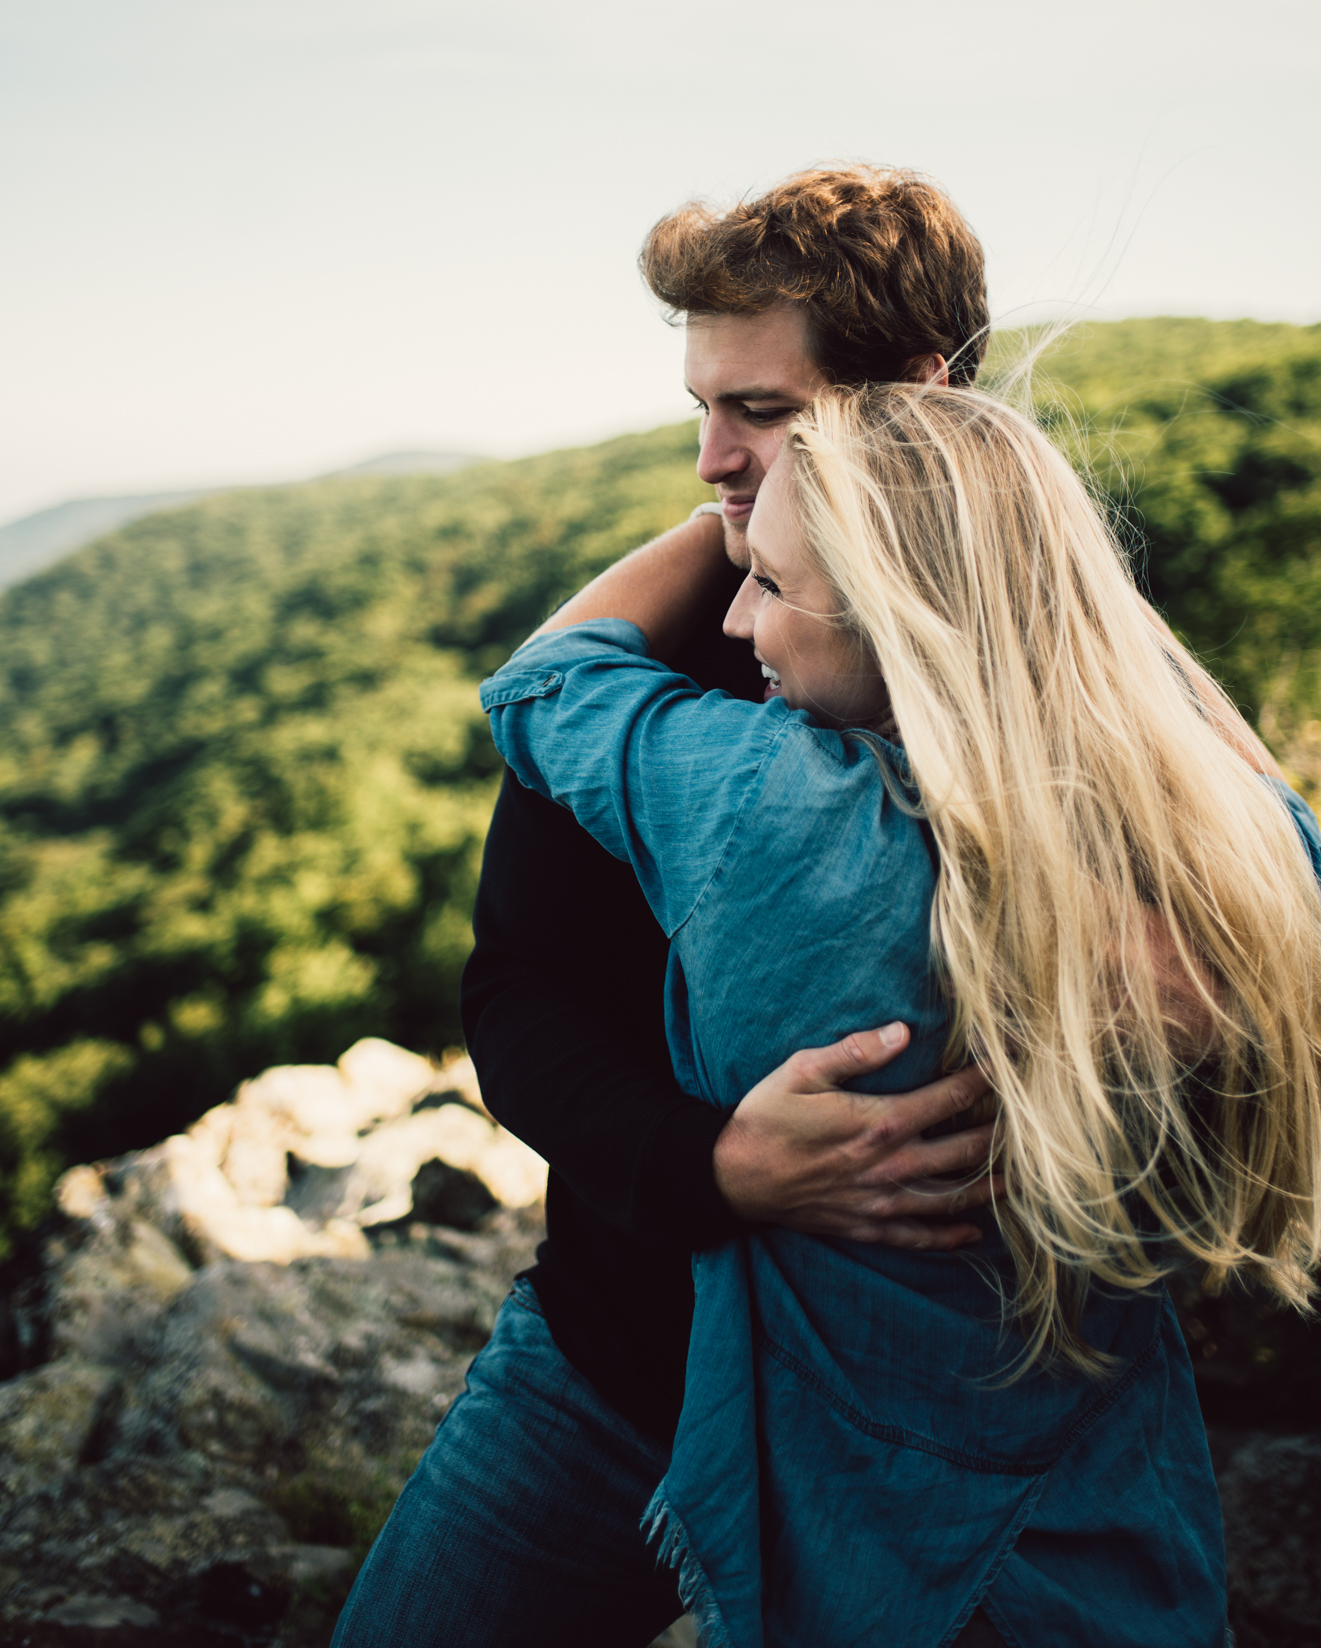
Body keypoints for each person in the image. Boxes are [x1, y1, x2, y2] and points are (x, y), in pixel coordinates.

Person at [478, 381, 1321, 1646]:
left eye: (769, 582)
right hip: (1092, 1539)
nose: (733, 610)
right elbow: (1292, 850)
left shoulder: (767, 805)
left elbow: (542, 681)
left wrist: (718, 517)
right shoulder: (1230, 878)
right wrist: (1038, 567)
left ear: (893, 610)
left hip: (850, 1538)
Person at [334, 167, 1016, 1648]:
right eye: (700, 408)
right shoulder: (678, 647)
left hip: (950, 1431)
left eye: (759, 412)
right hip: (614, 1370)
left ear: (915, 391)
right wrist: (709, 1162)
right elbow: (514, 989)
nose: (712, 458)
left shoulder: (1059, 665)